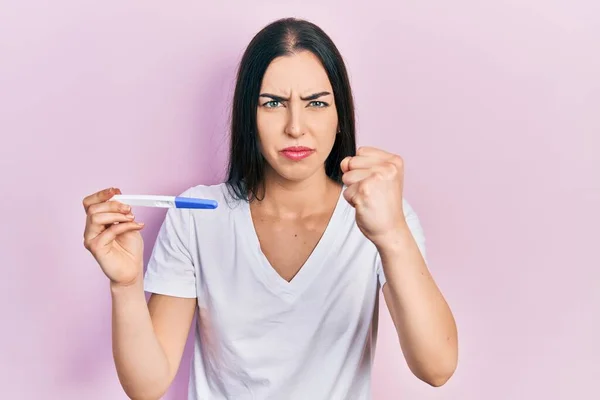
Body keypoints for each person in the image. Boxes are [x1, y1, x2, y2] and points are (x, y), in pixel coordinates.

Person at [82, 17, 457, 400]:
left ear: (339, 115)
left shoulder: (382, 219)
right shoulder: (196, 215)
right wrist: (125, 285)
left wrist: (393, 234)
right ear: (250, 116)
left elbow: (437, 367)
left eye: (316, 103)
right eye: (274, 103)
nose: (296, 127)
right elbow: (147, 384)